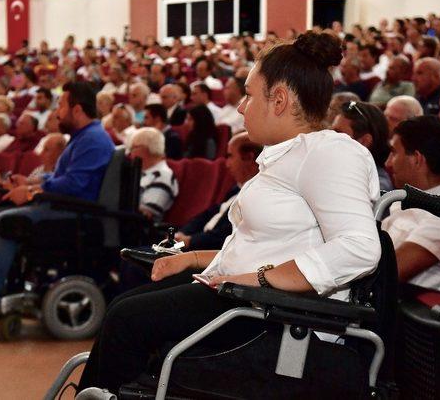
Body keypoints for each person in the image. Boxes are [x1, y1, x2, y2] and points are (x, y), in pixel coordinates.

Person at [77, 32, 381, 395]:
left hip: (274, 317)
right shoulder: (288, 156)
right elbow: (264, 247)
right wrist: (192, 259)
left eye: (249, 95)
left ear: (279, 100)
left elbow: (360, 248)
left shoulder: (328, 153)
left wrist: (262, 279)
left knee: (127, 320)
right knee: (124, 304)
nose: (240, 107)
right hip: (248, 299)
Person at [0, 82, 115, 311]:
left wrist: (31, 192)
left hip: (78, 215)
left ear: (78, 110)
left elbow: (74, 184)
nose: (56, 113)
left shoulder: (93, 139)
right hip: (68, 208)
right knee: (0, 214)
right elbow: (65, 178)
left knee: (6, 220)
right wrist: (32, 181)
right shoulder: (84, 137)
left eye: (60, 106)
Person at [383, 116, 440, 291]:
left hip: (397, 310)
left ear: (417, 158)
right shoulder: (404, 198)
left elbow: (389, 271)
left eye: (394, 152)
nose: (388, 163)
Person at [0, 133, 67, 256]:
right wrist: (13, 188)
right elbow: (23, 190)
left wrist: (25, 190)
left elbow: (34, 193)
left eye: (47, 150)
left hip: (36, 210)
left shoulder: (61, 173)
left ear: (60, 153)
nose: (41, 153)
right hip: (18, 205)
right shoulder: (39, 170)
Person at [174, 132, 261, 251]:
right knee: (146, 253)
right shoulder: (236, 189)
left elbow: (226, 235)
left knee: (144, 262)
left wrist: (188, 241)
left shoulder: (256, 196)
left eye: (230, 156)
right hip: (192, 245)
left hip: (208, 255)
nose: (227, 164)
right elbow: (207, 215)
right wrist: (180, 235)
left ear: (249, 158)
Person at [331, 101, 393, 190]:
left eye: (338, 133)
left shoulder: (376, 187)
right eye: (331, 131)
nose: (329, 137)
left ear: (364, 141)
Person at [129, 127, 179, 221]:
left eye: (134, 147)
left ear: (148, 148)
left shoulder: (162, 176)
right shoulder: (140, 172)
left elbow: (147, 212)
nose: (129, 152)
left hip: (140, 230)